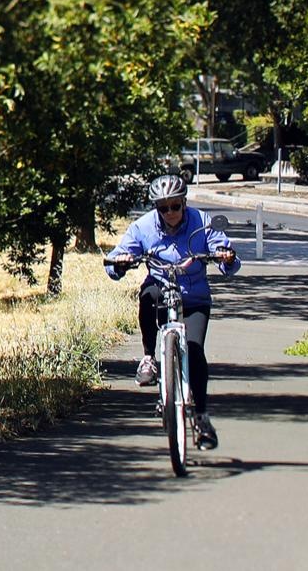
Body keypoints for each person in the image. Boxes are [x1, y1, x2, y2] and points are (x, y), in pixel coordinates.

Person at [105, 174, 239, 449]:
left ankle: (201, 417)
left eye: (175, 206)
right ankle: (147, 358)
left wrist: (225, 256)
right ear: (156, 208)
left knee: (195, 350)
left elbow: (227, 257)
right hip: (161, 292)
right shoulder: (142, 228)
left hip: (195, 298)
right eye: (163, 208)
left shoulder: (202, 223)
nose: (170, 213)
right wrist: (119, 262)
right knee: (147, 294)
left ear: (184, 203)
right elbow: (115, 261)